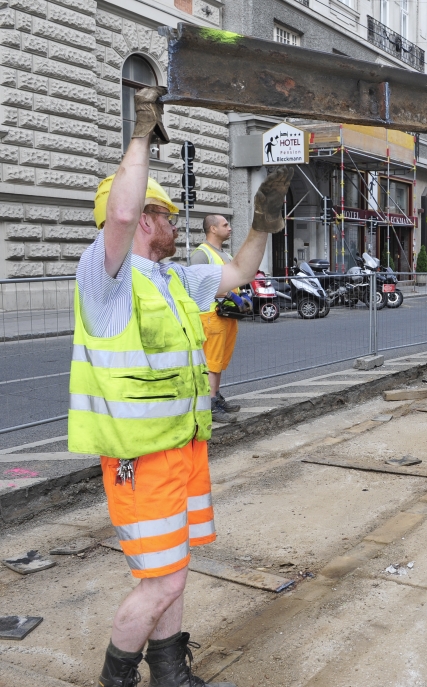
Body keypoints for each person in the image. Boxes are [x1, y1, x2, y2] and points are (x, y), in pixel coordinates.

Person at [71, 85, 294, 687]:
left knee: (175, 568)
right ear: (145, 217)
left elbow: (241, 271)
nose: (175, 222)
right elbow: (118, 213)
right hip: (140, 459)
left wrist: (262, 225)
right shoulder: (106, 277)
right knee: (161, 579)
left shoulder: (171, 279)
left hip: (182, 449)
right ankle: (116, 679)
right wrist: (142, 132)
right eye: (167, 214)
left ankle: (169, 672)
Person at [191, 215, 247, 424]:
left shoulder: (224, 254)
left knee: (220, 361)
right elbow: (198, 285)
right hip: (211, 314)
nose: (230, 228)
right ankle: (210, 404)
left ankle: (215, 396)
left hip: (226, 314)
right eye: (225, 225)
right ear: (213, 229)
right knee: (212, 363)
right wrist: (230, 295)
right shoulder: (201, 254)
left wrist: (240, 295)